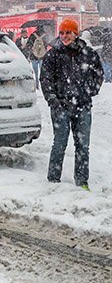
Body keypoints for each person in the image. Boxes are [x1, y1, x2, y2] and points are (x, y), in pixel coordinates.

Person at [40, 19, 104, 190]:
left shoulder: (88, 54)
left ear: (76, 34)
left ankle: (82, 182)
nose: (64, 36)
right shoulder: (53, 55)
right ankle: (53, 180)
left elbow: (98, 74)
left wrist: (90, 90)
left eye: (68, 32)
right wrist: (53, 100)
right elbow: (45, 79)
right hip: (61, 106)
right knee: (59, 143)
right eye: (62, 33)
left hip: (82, 105)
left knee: (83, 146)